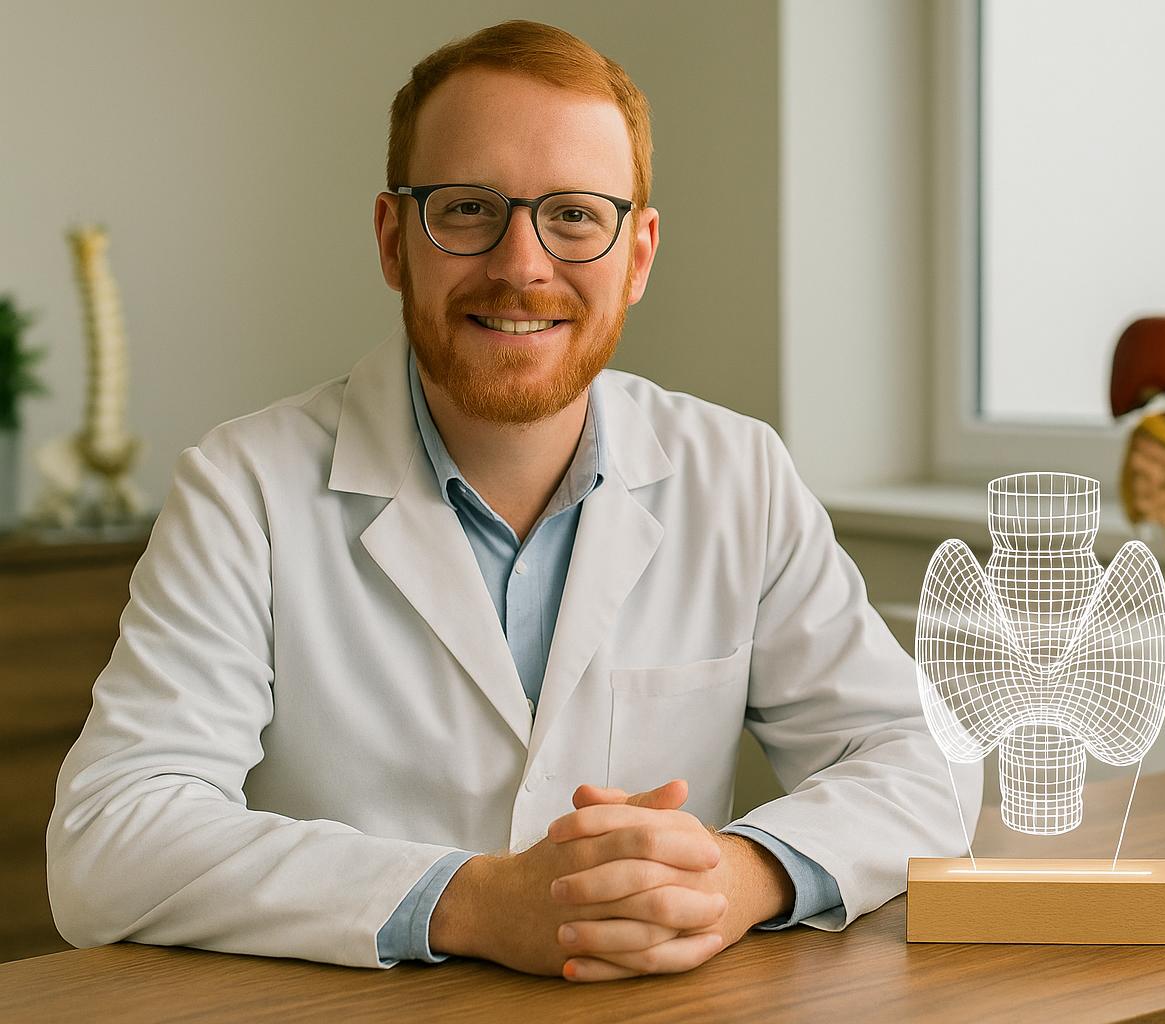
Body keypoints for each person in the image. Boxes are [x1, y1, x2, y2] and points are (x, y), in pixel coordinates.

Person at [46, 19, 981, 983]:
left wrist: (738, 877)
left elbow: (923, 761)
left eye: (575, 215)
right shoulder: (245, 489)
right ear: (392, 239)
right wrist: (473, 901)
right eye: (465, 209)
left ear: (640, 254)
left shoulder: (736, 471)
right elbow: (110, 839)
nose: (522, 265)